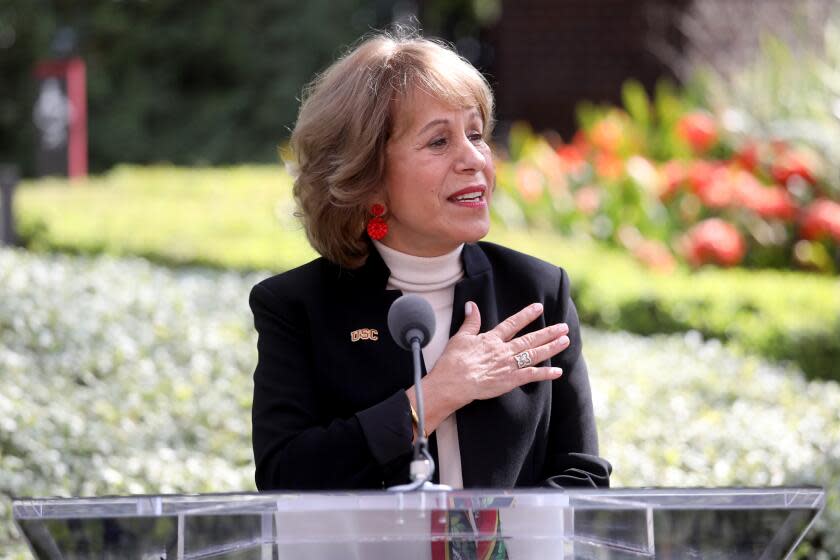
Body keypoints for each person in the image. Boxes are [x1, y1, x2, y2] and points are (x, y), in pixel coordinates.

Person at [250, 30, 611, 491]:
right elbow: (286, 476)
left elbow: (582, 475)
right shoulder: (296, 307)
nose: (473, 159)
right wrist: (435, 395)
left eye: (476, 134)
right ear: (368, 176)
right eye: (439, 142)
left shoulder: (537, 291)